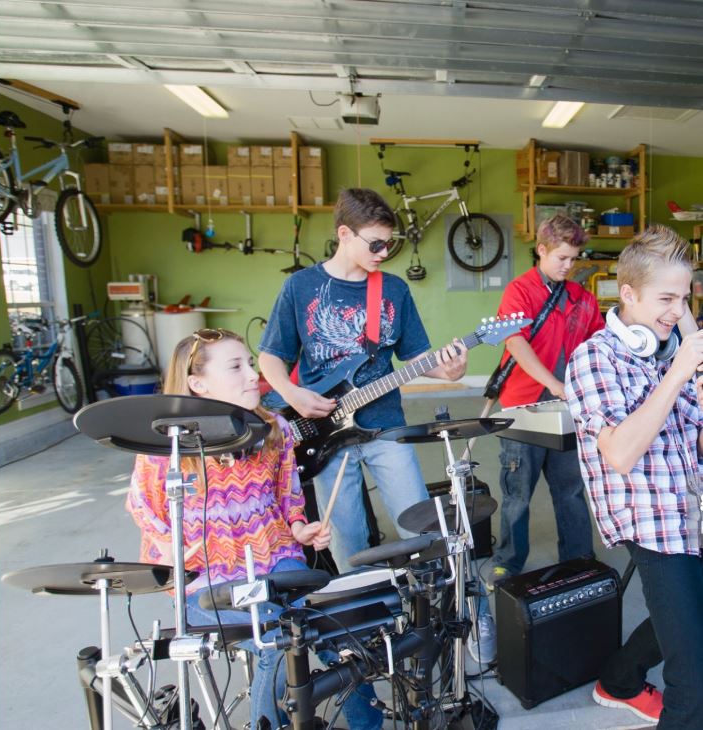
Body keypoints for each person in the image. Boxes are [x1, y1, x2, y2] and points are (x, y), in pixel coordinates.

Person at [258, 187, 496, 665]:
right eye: (375, 244)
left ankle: (431, 625)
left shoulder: (392, 290)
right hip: (324, 438)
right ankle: (364, 634)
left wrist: (447, 369)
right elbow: (271, 357)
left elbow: (414, 358)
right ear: (344, 234)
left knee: (421, 529)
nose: (384, 253)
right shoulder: (301, 288)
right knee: (348, 545)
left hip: (386, 427)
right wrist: (291, 394)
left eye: (389, 245)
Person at [126, 328, 383, 730]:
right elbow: (144, 510)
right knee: (278, 636)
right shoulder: (167, 443)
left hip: (277, 563)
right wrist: (183, 556)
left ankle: (368, 725)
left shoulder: (274, 427)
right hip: (208, 584)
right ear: (197, 382)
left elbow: (288, 497)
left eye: (250, 363)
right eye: (236, 366)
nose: (253, 375)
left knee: (339, 628)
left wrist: (299, 529)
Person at [565, 225, 703, 729]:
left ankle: (620, 678)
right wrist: (679, 373)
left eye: (684, 299)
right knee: (696, 681)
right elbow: (621, 452)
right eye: (666, 298)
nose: (677, 311)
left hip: (692, 509)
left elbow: (696, 445)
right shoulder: (594, 358)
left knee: (690, 613)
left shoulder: (669, 354)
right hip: (650, 518)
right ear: (628, 293)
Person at [486, 214, 602, 591]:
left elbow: (596, 343)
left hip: (567, 410)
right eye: (562, 258)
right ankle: (508, 562)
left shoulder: (582, 298)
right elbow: (515, 342)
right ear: (541, 250)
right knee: (518, 491)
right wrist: (552, 383)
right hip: (523, 407)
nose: (569, 266)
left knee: (569, 489)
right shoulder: (520, 291)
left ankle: (579, 558)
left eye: (574, 259)